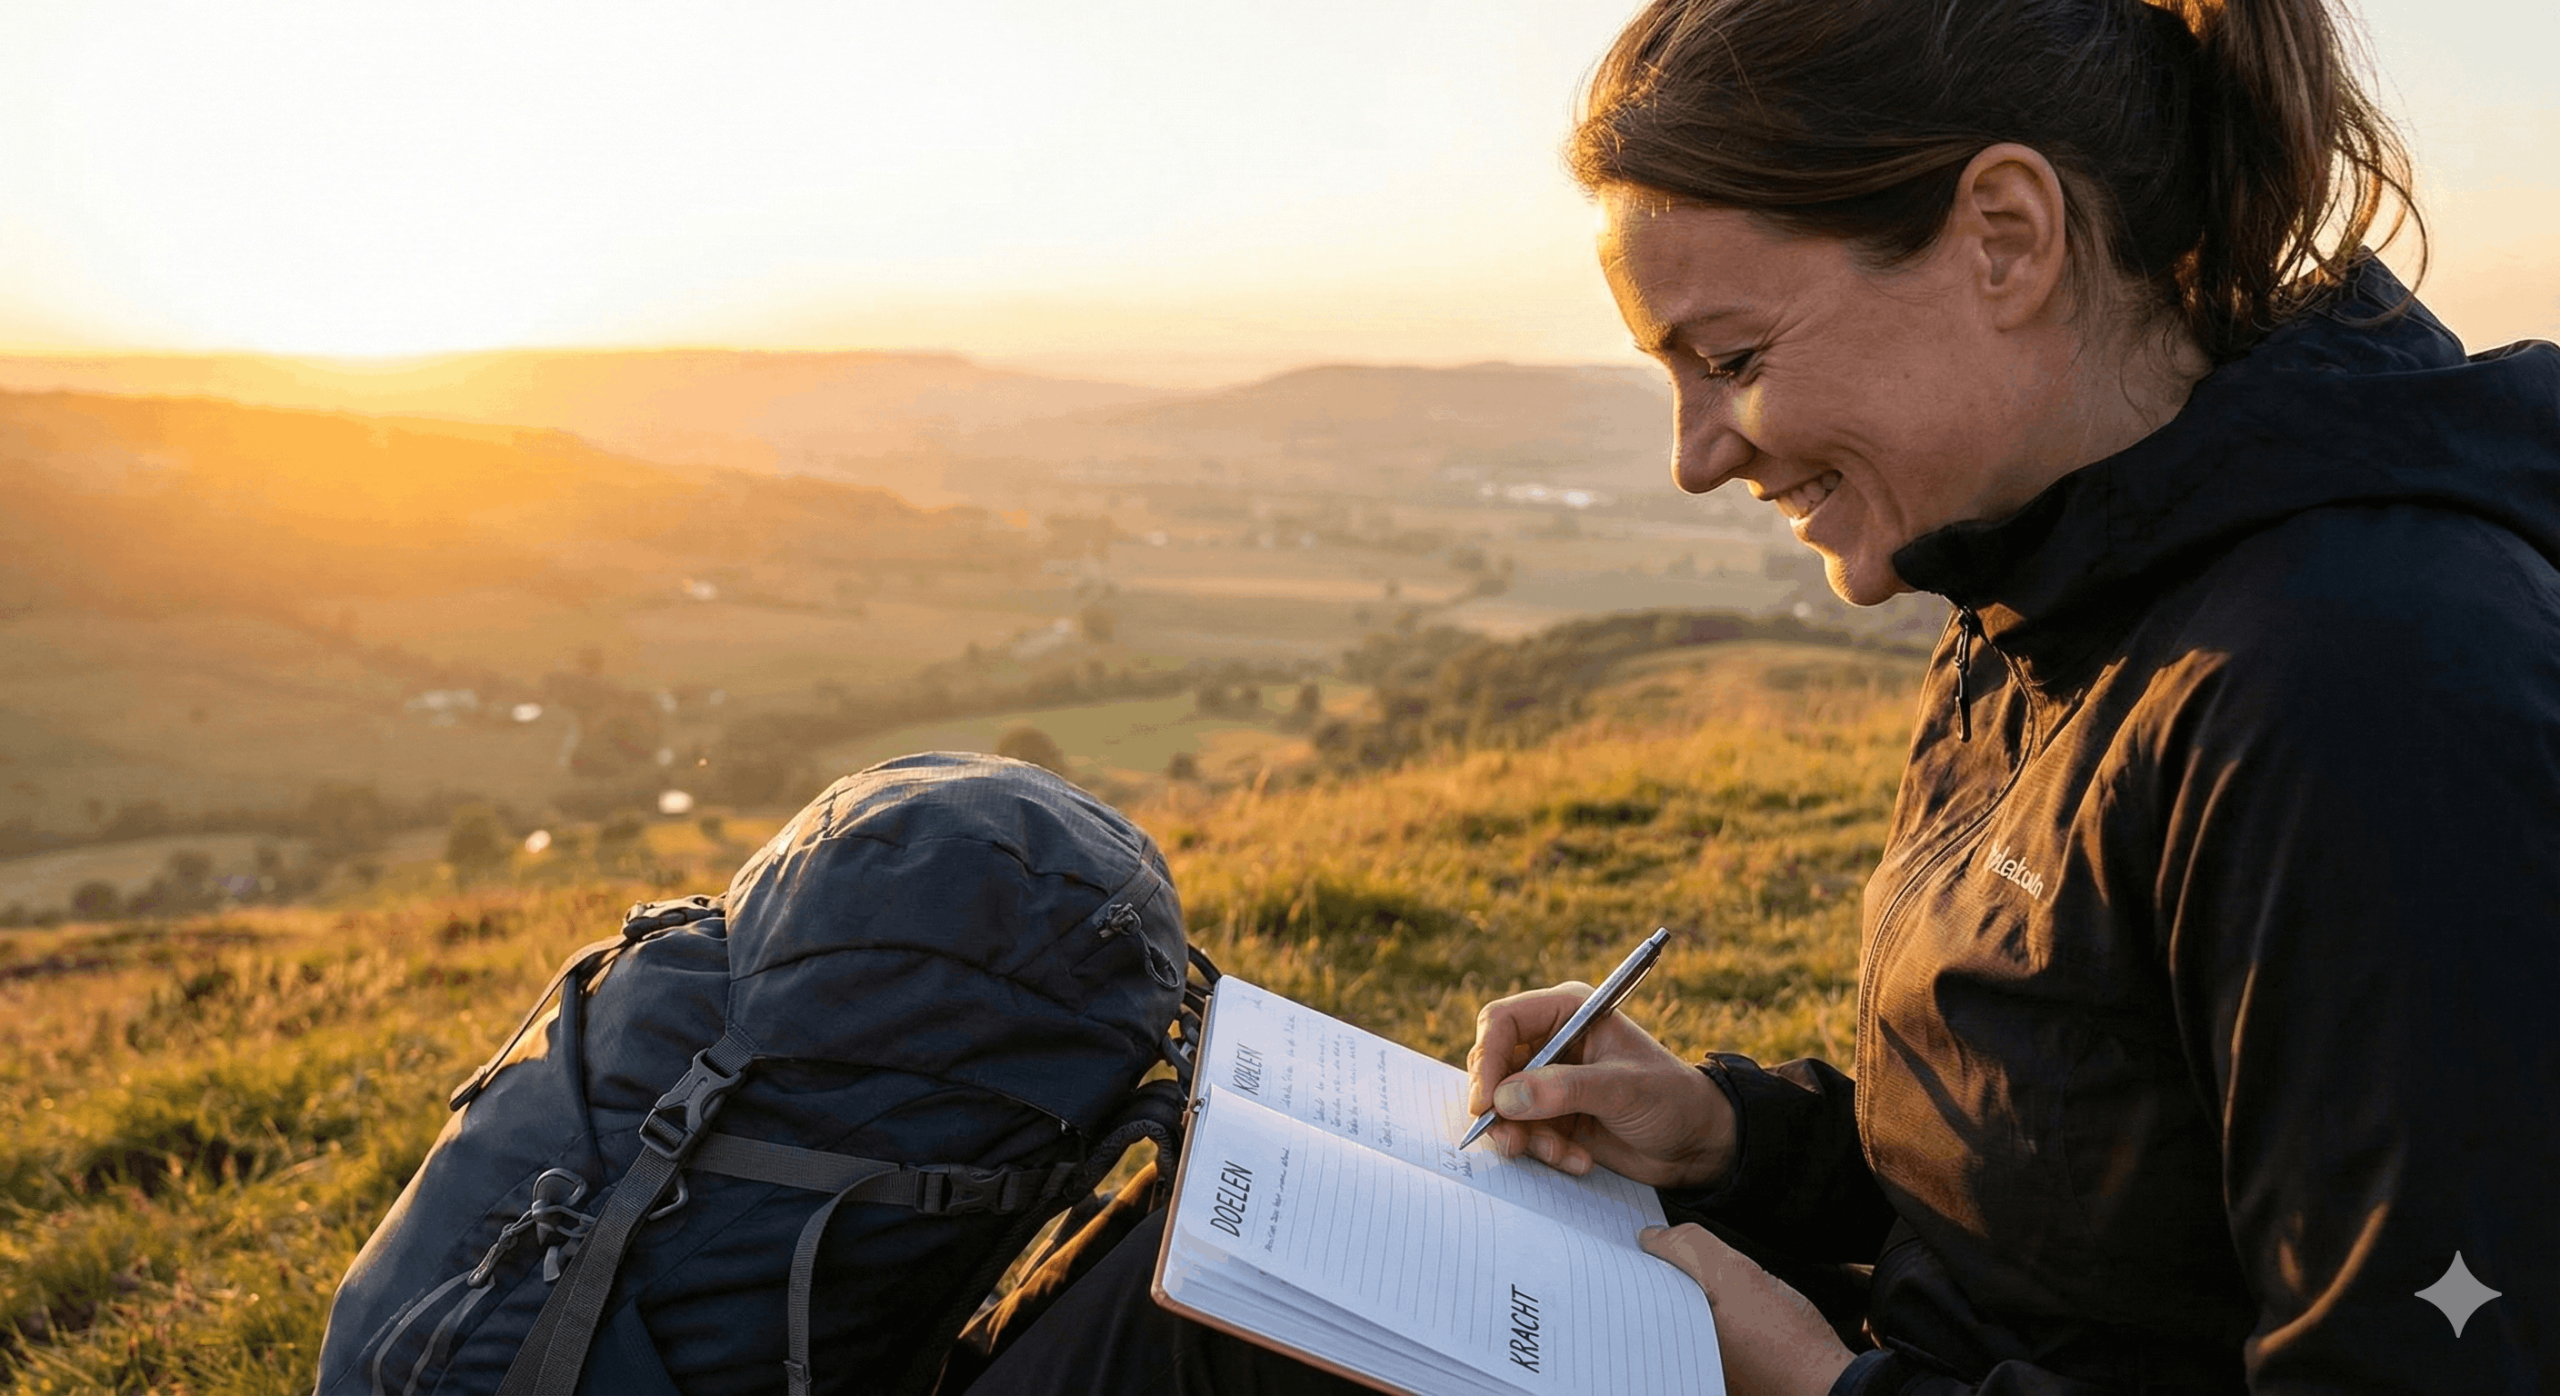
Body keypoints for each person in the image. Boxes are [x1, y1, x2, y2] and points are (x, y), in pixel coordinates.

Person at [960, 0, 2560, 1391]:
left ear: (2006, 238)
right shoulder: (2045, 589)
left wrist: (1815, 1383)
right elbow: (2088, 1183)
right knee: (1200, 1288)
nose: (1694, 455)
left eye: (1731, 359)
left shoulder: (2368, 692)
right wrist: (1731, 1136)